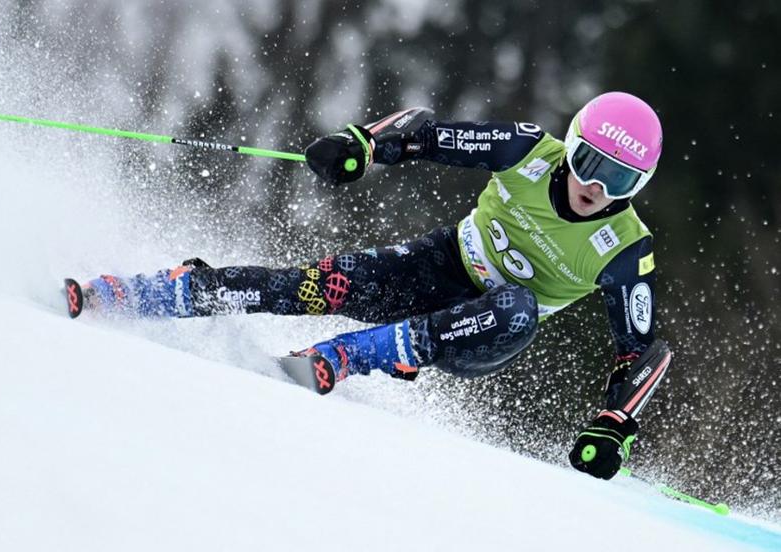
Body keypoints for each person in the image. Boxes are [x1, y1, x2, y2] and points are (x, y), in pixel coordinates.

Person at [70, 91, 672, 481]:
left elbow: (641, 351)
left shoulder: (625, 248)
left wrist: (613, 424)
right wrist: (362, 144)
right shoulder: (527, 151)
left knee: (518, 307)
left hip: (485, 330)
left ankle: (350, 356)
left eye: (620, 179)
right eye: (591, 164)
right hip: (440, 263)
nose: (596, 187)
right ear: (570, 146)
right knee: (310, 286)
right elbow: (425, 133)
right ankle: (151, 292)